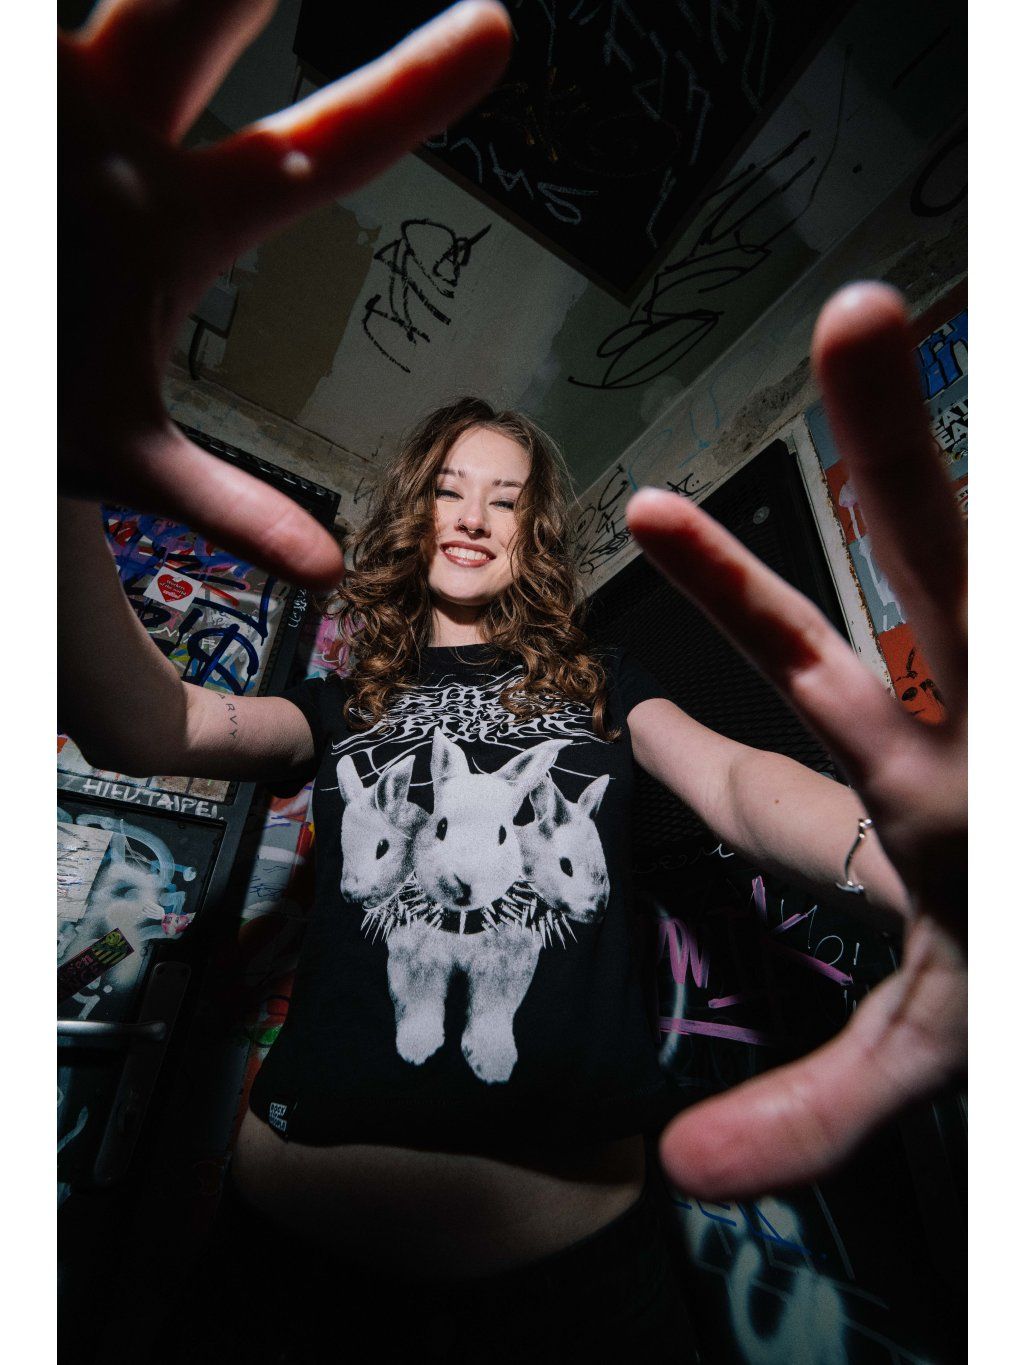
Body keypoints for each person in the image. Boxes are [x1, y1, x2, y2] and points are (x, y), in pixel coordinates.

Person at [57, 1, 967, 1360]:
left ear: (534, 531)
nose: (476, 515)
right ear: (418, 515)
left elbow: (733, 780)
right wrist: (51, 477)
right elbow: (155, 722)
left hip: (579, 1292)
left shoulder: (600, 684)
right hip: (292, 1269)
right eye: (450, 489)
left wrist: (902, 862)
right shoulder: (350, 701)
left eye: (507, 496)